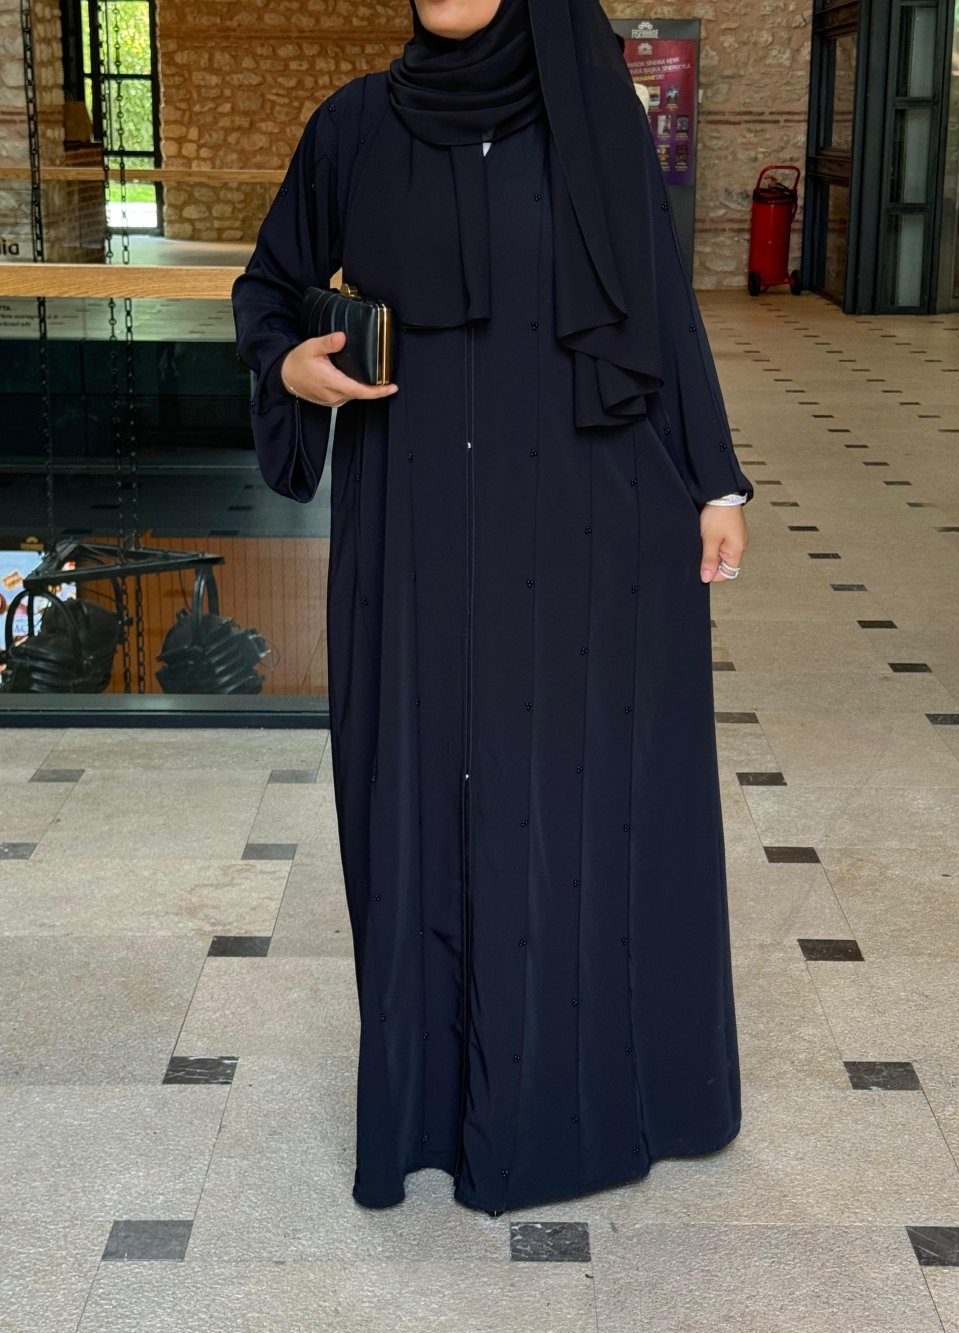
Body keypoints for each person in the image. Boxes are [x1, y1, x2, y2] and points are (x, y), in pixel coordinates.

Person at [231, 0, 752, 1219]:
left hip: (582, 519)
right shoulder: (355, 127)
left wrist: (715, 483)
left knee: (570, 796)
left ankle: (575, 1094)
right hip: (409, 526)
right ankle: (430, 1102)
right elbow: (269, 287)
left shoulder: (597, 123)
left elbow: (662, 310)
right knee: (412, 790)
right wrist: (289, 361)